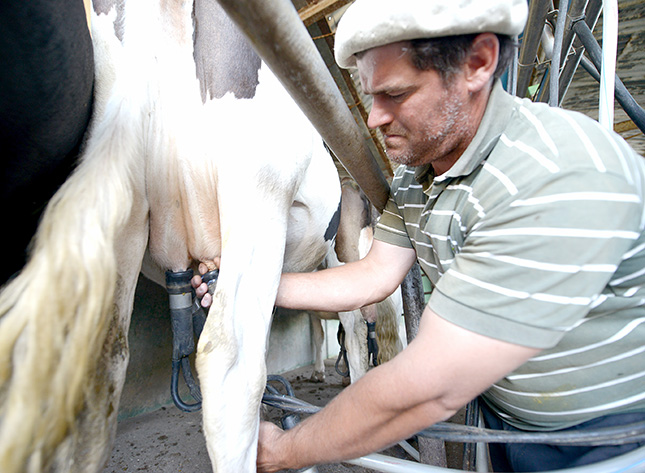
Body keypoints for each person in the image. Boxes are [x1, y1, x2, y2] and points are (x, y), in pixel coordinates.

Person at [194, 0, 645, 470]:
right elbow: (371, 275)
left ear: (478, 63)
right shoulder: (417, 177)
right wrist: (252, 283)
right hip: (507, 425)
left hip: (610, 438)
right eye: (370, 96)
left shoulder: (554, 175)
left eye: (396, 94)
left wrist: (287, 450)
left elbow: (430, 386)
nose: (373, 118)